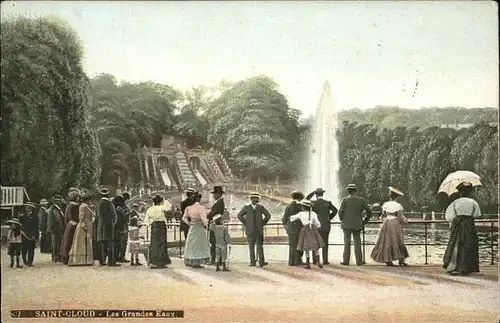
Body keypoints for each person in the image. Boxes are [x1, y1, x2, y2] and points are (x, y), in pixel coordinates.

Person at [442, 182, 481, 275]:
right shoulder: (473, 202)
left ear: (460, 192)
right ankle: (467, 267)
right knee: (469, 243)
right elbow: (477, 214)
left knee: (455, 243)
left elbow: (449, 216)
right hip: (469, 224)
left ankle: (454, 265)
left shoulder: (455, 202)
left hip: (458, 225)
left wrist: (456, 219)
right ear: (470, 192)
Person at [370, 186, 409, 266]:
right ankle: (401, 260)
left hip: (387, 223)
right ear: (397, 197)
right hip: (395, 223)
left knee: (387, 241)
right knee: (398, 240)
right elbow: (400, 217)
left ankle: (388, 260)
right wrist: (406, 221)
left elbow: (383, 215)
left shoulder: (385, 204)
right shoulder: (398, 205)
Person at [338, 184, 371, 266]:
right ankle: (359, 261)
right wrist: (365, 220)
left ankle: (346, 261)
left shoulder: (345, 200)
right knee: (357, 242)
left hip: (346, 224)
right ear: (355, 190)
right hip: (357, 223)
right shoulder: (361, 200)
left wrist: (342, 219)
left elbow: (340, 212)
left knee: (347, 243)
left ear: (348, 191)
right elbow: (368, 211)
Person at [237, 192, 271, 267]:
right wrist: (262, 223)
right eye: (254, 198)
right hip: (258, 230)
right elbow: (268, 216)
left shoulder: (247, 207)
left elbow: (239, 216)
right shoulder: (260, 207)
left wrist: (246, 223)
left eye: (256, 199)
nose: (255, 200)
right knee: (259, 246)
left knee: (252, 246)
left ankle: (253, 262)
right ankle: (261, 262)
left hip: (251, 230)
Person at [306, 188, 338, 265]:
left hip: (315, 226)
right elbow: (335, 210)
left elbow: (305, 200)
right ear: (322, 194)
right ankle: (325, 260)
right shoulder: (328, 203)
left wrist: (312, 193)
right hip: (325, 226)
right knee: (325, 243)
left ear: (316, 195)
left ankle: (315, 260)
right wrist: (329, 218)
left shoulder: (312, 203)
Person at [289, 199, 324, 268]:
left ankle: (308, 264)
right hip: (313, 230)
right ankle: (318, 261)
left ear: (303, 207)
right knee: (315, 247)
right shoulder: (313, 213)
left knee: (306, 247)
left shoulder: (300, 214)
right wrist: (316, 226)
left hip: (305, 230)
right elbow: (318, 224)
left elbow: (291, 218)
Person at [182, 192, 211, 268]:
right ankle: (197, 262)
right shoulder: (201, 208)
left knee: (191, 244)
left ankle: (191, 261)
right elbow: (203, 219)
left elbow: (184, 218)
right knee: (199, 245)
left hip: (192, 227)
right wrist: (206, 225)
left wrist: (189, 223)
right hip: (199, 227)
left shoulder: (189, 208)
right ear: (199, 199)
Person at [144, 194, 171, 268]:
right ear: (160, 202)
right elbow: (169, 208)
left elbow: (146, 220)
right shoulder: (162, 208)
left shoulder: (150, 209)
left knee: (154, 243)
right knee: (162, 244)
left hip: (154, 225)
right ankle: (161, 262)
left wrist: (150, 224)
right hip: (161, 225)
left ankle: (153, 261)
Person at [68, 191, 94, 266]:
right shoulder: (83, 206)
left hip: (87, 224)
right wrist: (83, 225)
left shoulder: (86, 205)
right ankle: (81, 260)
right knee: (83, 242)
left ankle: (85, 260)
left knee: (86, 241)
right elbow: (81, 216)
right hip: (84, 225)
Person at [97, 188, 120, 267]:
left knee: (101, 243)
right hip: (109, 225)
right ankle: (111, 262)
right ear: (107, 195)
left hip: (100, 225)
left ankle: (102, 261)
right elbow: (114, 215)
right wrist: (114, 222)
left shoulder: (99, 203)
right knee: (110, 244)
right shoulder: (110, 203)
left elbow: (98, 215)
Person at [282, 190, 305, 266]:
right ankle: (298, 261)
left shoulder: (288, 206)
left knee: (292, 246)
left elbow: (284, 219)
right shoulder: (301, 207)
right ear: (299, 198)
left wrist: (287, 228)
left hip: (291, 230)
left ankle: (291, 262)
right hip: (299, 229)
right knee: (300, 245)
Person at [61, 189, 81, 265]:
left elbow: (66, 217)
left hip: (69, 224)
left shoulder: (69, 205)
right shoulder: (75, 205)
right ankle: (69, 257)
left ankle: (64, 257)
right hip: (74, 224)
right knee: (71, 241)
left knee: (67, 241)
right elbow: (75, 216)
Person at [207, 186, 226, 265]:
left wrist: (207, 215)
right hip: (217, 225)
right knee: (217, 243)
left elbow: (213, 213)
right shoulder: (219, 202)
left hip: (215, 225)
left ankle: (214, 260)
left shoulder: (219, 203)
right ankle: (219, 260)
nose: (213, 195)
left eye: (215, 194)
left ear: (219, 194)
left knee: (214, 243)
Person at [47, 195, 66, 263]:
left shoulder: (55, 208)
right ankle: (56, 256)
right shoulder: (55, 209)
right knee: (56, 243)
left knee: (56, 242)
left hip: (55, 228)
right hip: (56, 229)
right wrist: (62, 227)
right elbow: (58, 219)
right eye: (60, 201)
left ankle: (55, 256)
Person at [19, 202, 39, 267]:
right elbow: (19, 226)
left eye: (30, 208)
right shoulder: (22, 217)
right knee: (24, 249)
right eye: (27, 207)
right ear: (25, 208)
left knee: (31, 249)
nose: (28, 209)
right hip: (24, 235)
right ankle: (25, 260)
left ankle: (30, 262)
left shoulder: (35, 216)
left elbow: (36, 227)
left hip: (31, 235)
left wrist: (36, 235)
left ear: (32, 209)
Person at [112, 195, 128, 263]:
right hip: (121, 227)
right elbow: (123, 216)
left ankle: (116, 256)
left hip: (115, 227)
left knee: (116, 242)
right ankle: (121, 257)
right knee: (122, 243)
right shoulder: (119, 208)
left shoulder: (113, 207)